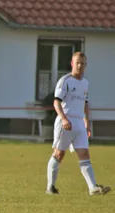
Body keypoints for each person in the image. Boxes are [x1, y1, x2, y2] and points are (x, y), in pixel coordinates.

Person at [45, 52, 110, 195]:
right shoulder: (65, 81)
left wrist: (86, 122)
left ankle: (92, 188)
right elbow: (56, 102)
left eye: (83, 63)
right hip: (66, 122)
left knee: (84, 154)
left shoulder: (85, 83)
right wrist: (63, 119)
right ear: (72, 64)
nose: (80, 65)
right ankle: (50, 187)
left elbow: (85, 103)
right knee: (58, 154)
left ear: (86, 65)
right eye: (78, 62)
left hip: (79, 123)